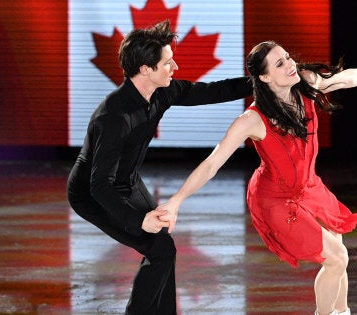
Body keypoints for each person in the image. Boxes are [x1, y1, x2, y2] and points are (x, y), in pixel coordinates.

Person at [156, 41, 357, 315]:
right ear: (264, 77)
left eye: (287, 58)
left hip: (309, 186)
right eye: (280, 64)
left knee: (337, 250)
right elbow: (212, 163)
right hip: (275, 200)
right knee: (337, 258)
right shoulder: (251, 120)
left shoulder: (305, 83)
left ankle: (342, 311)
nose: (290, 65)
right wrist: (176, 201)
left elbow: (345, 79)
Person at [66, 20, 252, 315]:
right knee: (160, 248)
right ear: (145, 70)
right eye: (167, 62)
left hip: (127, 181)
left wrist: (261, 81)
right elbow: (99, 185)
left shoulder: (161, 92)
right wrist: (137, 220)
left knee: (162, 246)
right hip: (92, 193)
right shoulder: (113, 116)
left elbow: (210, 91)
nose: (175, 67)